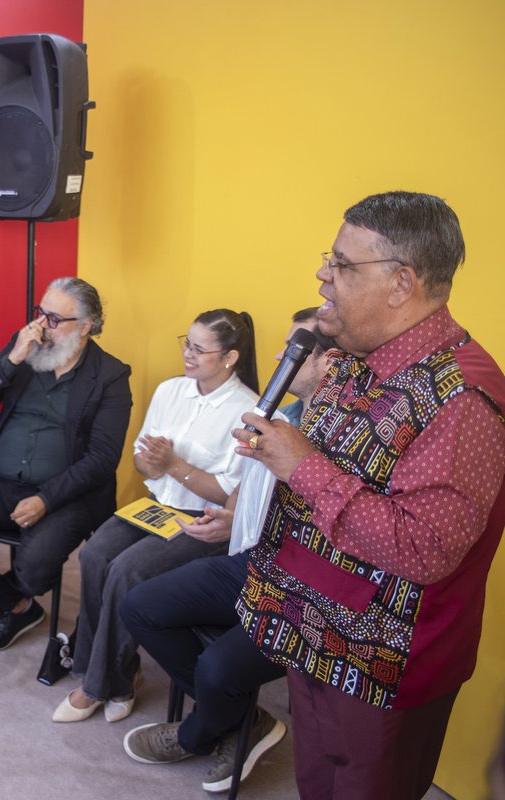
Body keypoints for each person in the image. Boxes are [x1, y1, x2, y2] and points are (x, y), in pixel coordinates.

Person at [244, 192, 503, 798]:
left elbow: (424, 548)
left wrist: (301, 465)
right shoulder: (351, 358)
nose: (322, 274)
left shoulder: (463, 400)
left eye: (341, 263)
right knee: (318, 782)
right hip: (309, 628)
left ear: (400, 283)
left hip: (380, 666)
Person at [120, 309, 336, 794]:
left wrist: (182, 472)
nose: (278, 355)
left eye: (295, 350)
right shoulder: (283, 415)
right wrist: (233, 515)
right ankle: (243, 719)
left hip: (308, 583)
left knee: (217, 666)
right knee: (139, 604)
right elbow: (245, 487)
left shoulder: (343, 429)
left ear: (330, 362)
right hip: (254, 559)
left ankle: (200, 733)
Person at [53, 309, 259, 725]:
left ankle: (96, 685)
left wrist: (173, 465)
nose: (188, 354)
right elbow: (141, 461)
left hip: (202, 519)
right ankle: (118, 672)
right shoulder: (170, 390)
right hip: (157, 505)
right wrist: (150, 463)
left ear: (230, 357)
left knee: (126, 570)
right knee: (94, 555)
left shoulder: (249, 411)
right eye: (187, 343)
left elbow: (230, 494)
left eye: (199, 349)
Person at [0, 277, 132, 652]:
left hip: (66, 496)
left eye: (54, 319)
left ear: (85, 326)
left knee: (37, 565)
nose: (41, 325)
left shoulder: (110, 376)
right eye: (41, 313)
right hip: (1, 483)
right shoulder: (24, 349)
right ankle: (15, 606)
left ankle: (14, 593)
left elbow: (103, 459)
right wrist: (11, 360)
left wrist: (46, 500)